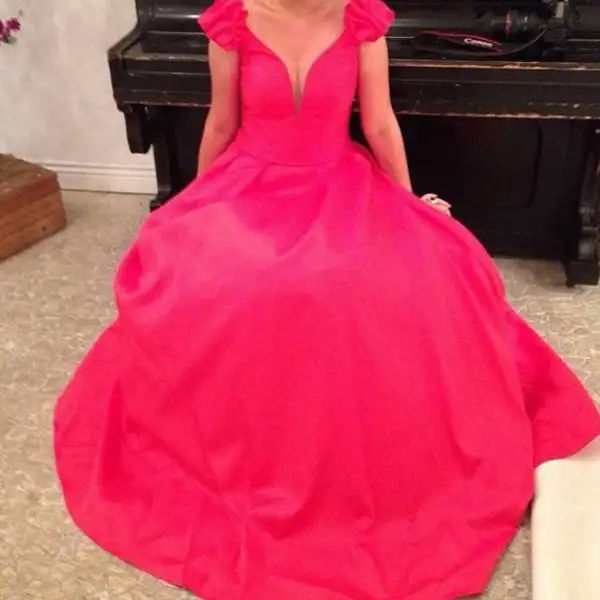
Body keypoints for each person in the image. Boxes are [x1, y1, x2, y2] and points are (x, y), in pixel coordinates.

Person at [54, 0, 600, 598]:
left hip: (335, 179)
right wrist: (196, 204)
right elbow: (220, 124)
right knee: (229, 279)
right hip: (250, 183)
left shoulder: (360, 19)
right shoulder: (232, 20)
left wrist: (409, 205)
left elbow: (380, 124)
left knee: (361, 280)